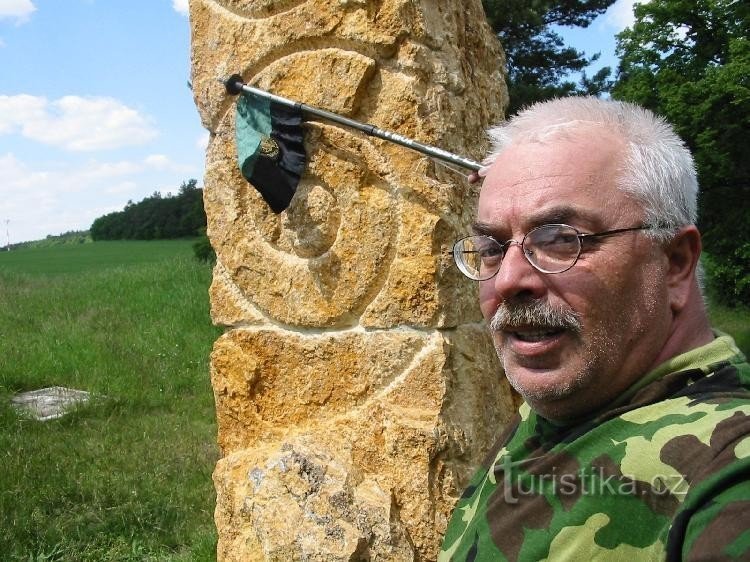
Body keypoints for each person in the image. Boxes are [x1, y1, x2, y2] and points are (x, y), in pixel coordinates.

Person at [439, 97, 750, 561]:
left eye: (561, 238)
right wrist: (525, 172)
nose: (507, 280)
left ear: (674, 263)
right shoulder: (582, 394)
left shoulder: (728, 472)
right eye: (491, 245)